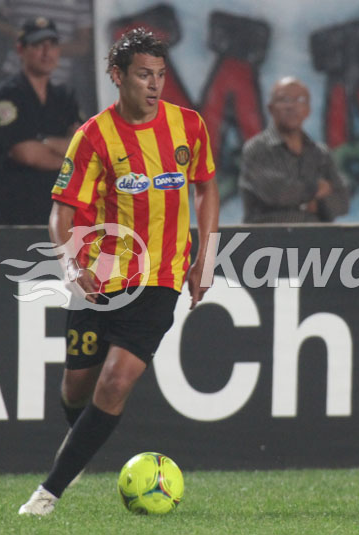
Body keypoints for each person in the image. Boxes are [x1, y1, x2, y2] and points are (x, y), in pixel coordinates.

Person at [18, 27, 219, 516]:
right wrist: (68, 264)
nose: (154, 86)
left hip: (160, 277)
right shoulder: (94, 136)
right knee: (76, 387)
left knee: (114, 382)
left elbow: (207, 189)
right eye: (144, 75)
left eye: (160, 75)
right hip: (99, 277)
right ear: (117, 76)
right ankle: (79, 445)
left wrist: (205, 256)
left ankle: (47, 493)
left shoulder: (188, 127)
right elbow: (61, 214)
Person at [0, 16, 81, 224]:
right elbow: (27, 154)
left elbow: (82, 149)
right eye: (38, 45)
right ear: (20, 49)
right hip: (17, 220)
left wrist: (43, 142)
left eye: (52, 45)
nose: (47, 52)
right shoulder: (6, 97)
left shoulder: (64, 98)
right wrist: (66, 157)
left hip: (61, 220)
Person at [239, 76, 349, 223]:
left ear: (308, 110)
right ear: (270, 108)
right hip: (267, 242)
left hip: (315, 242)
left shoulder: (321, 154)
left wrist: (316, 204)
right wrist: (316, 189)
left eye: (300, 100)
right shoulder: (257, 149)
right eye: (284, 100)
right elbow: (278, 193)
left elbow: (342, 202)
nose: (291, 106)